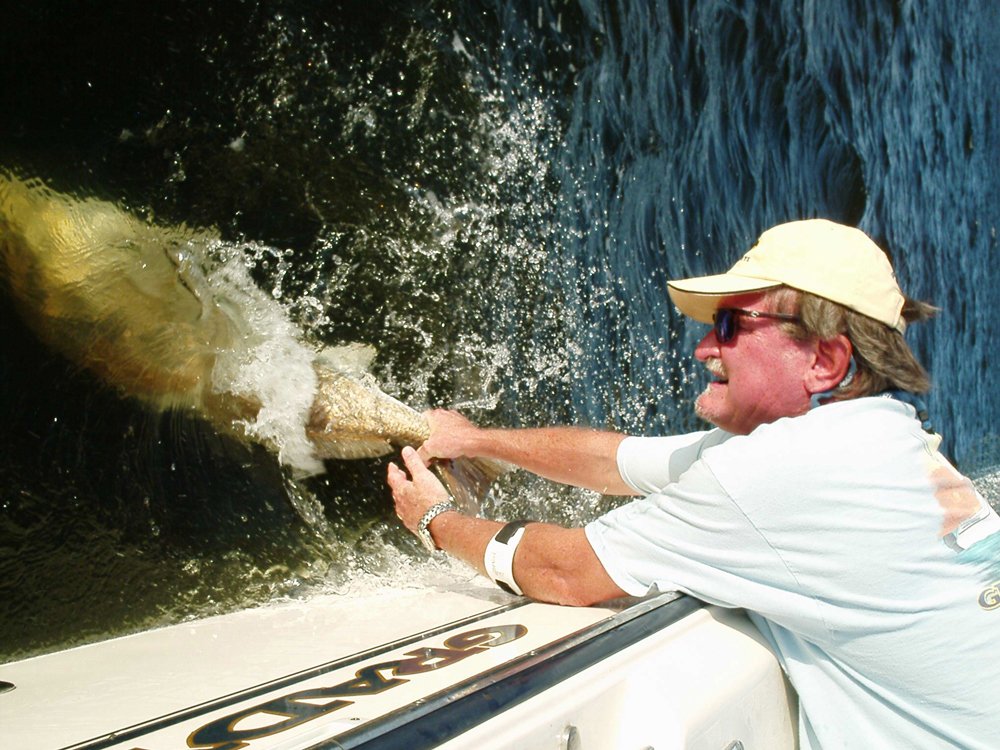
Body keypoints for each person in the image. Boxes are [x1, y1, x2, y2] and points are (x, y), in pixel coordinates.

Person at [387, 219, 1000, 749]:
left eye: (731, 324)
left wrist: (433, 519)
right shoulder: (870, 437)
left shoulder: (780, 472)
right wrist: (475, 440)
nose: (705, 345)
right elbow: (614, 461)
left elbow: (567, 573)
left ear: (824, 361)